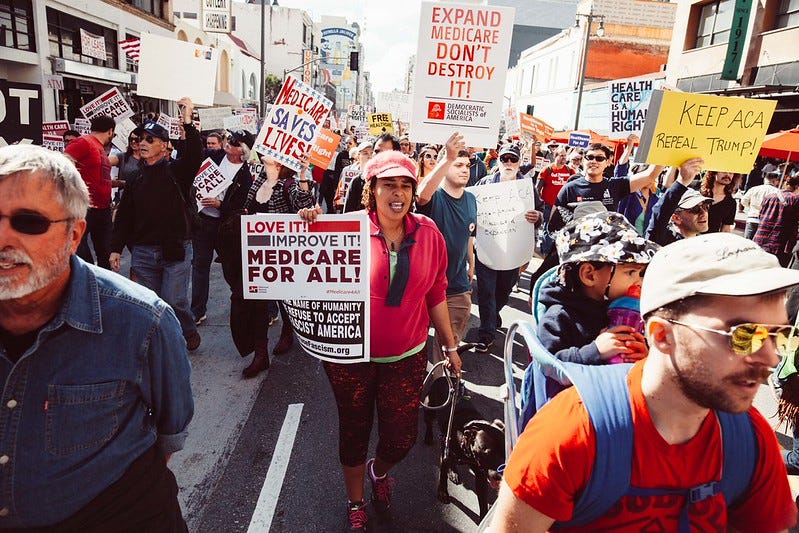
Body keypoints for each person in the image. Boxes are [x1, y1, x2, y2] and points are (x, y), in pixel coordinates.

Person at [493, 232, 799, 531]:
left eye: (780, 336)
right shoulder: (571, 433)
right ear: (662, 336)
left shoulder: (750, 440)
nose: (771, 358)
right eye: (743, 335)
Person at [0, 145, 193, 530]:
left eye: (29, 222)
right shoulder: (136, 179)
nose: (2, 238)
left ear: (74, 235)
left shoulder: (145, 322)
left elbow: (171, 431)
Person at [299, 150, 461, 533]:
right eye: (389, 184)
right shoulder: (344, 229)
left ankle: (379, 472)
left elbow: (436, 293)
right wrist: (306, 225)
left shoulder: (429, 233)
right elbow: (303, 271)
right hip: (349, 357)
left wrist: (451, 347)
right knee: (353, 431)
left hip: (406, 356)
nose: (399, 192)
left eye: (406, 184)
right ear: (371, 189)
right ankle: (355, 501)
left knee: (401, 437)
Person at [110, 97, 203, 351]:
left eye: (149, 140)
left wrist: (188, 120)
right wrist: (116, 247)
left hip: (175, 249)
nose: (142, 144)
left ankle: (187, 329)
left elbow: (195, 154)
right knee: (149, 302)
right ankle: (163, 343)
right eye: (140, 139)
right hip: (142, 253)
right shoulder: (135, 176)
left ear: (164, 146)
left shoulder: (177, 172)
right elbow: (126, 215)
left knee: (174, 300)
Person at [231, 154, 316, 377]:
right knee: (256, 303)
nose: (265, 155)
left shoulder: (290, 182)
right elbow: (246, 206)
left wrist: (303, 174)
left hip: (284, 252)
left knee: (285, 297)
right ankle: (261, 354)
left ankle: (288, 331)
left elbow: (304, 202)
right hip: (257, 251)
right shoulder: (259, 178)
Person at [538, 210, 656, 365]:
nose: (639, 282)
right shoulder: (559, 317)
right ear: (589, 275)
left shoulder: (629, 313)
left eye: (640, 273)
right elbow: (548, 365)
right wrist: (595, 351)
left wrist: (644, 357)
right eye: (630, 272)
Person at [416, 133, 476, 374]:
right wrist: (446, 158)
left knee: (446, 347)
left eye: (467, 166)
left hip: (457, 287)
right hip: (422, 287)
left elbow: (469, 233)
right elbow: (421, 195)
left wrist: (471, 264)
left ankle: (439, 392)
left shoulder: (472, 199)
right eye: (458, 165)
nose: (465, 170)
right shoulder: (434, 197)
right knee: (415, 346)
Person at [473, 142, 542, 351]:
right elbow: (472, 208)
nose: (509, 163)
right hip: (488, 246)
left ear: (519, 162)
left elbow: (541, 211)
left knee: (503, 290)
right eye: (505, 159)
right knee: (485, 290)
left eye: (513, 159)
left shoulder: (528, 187)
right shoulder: (484, 184)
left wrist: (537, 216)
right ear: (498, 161)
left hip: (514, 250)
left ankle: (493, 316)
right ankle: (486, 333)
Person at [190, 130, 254, 326]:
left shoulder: (246, 177)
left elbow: (242, 207)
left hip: (225, 227)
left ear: (241, 151)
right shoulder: (214, 156)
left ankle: (256, 308)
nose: (228, 143)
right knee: (200, 266)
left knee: (233, 269)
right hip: (203, 222)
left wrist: (220, 205)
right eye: (229, 138)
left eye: (234, 142)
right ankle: (197, 311)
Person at [553, 143, 662, 230]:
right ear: (582, 161)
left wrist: (665, 148)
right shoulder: (570, 188)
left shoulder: (615, 185)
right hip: (577, 249)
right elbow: (553, 221)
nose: (594, 161)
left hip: (606, 249)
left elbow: (650, 175)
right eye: (589, 157)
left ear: (607, 162)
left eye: (599, 158)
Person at [64, 114, 119, 270]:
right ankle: (87, 279)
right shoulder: (84, 142)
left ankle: (102, 285)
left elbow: (98, 177)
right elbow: (64, 165)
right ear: (110, 131)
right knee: (80, 252)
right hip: (86, 207)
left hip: (102, 209)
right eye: (113, 134)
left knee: (105, 253)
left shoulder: (99, 147)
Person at [645, 158, 709, 246]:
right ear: (676, 218)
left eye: (705, 207)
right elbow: (660, 214)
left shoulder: (705, 245)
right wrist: (681, 182)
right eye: (695, 209)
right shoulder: (663, 241)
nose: (703, 213)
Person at [753, 175, 799, 267]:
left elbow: (760, 215)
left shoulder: (769, 196)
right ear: (797, 186)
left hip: (760, 240)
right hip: (780, 243)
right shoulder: (795, 199)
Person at [740, 171, 780, 239]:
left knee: (748, 243)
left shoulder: (754, 189)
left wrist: (751, 206)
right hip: (767, 221)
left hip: (752, 218)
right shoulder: (777, 192)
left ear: (765, 179)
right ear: (775, 181)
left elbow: (743, 201)